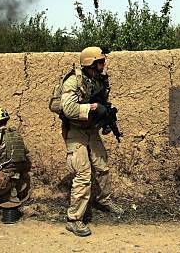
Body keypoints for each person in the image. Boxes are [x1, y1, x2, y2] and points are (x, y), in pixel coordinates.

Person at [60, 46, 123, 237]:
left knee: (102, 165)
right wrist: (94, 107)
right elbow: (68, 108)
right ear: (90, 63)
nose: (103, 65)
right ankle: (74, 219)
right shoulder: (73, 80)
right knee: (83, 173)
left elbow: (102, 101)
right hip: (76, 131)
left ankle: (104, 200)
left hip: (91, 129)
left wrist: (105, 119)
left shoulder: (99, 80)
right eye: (100, 62)